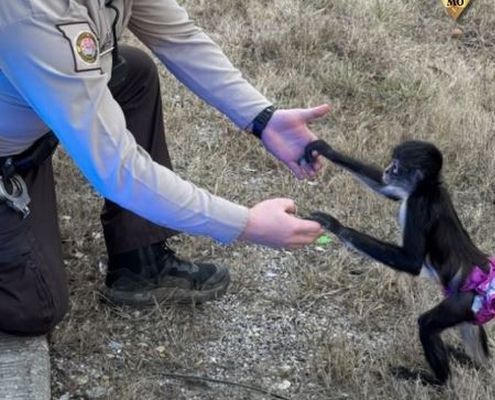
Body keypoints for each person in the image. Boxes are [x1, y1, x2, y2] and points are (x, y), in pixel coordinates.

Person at [0, 0, 326, 336]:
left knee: (133, 73)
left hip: (25, 121)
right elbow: (119, 171)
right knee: (35, 305)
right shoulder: (33, 13)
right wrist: (247, 224)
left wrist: (261, 118)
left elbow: (178, 36)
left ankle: (140, 260)